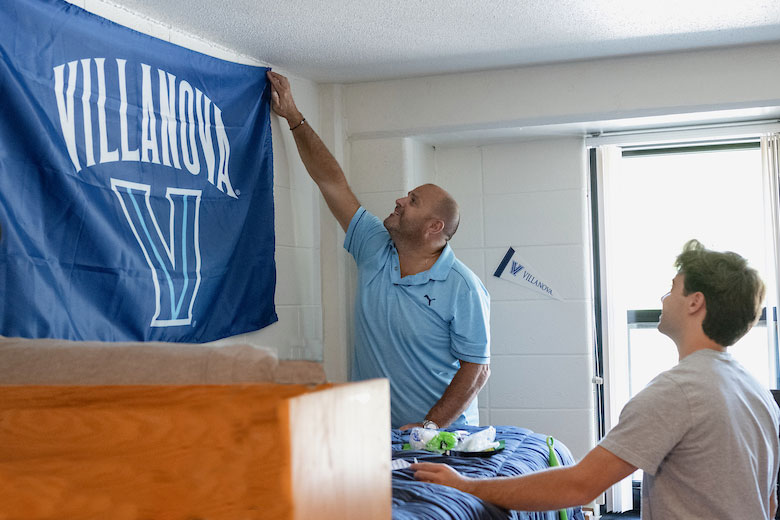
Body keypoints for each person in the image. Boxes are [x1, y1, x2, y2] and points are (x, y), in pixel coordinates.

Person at [413, 239, 780, 519]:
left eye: (672, 288)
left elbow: (580, 484)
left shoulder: (679, 391)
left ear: (695, 302)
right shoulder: (755, 390)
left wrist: (466, 485)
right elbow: (767, 500)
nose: (663, 297)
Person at [266, 70, 490, 430]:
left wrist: (427, 428)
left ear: (435, 228)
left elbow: (477, 369)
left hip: (440, 441)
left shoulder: (463, 287)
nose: (400, 200)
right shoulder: (375, 246)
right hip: (374, 434)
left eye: (413, 201)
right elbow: (331, 182)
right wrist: (294, 117)